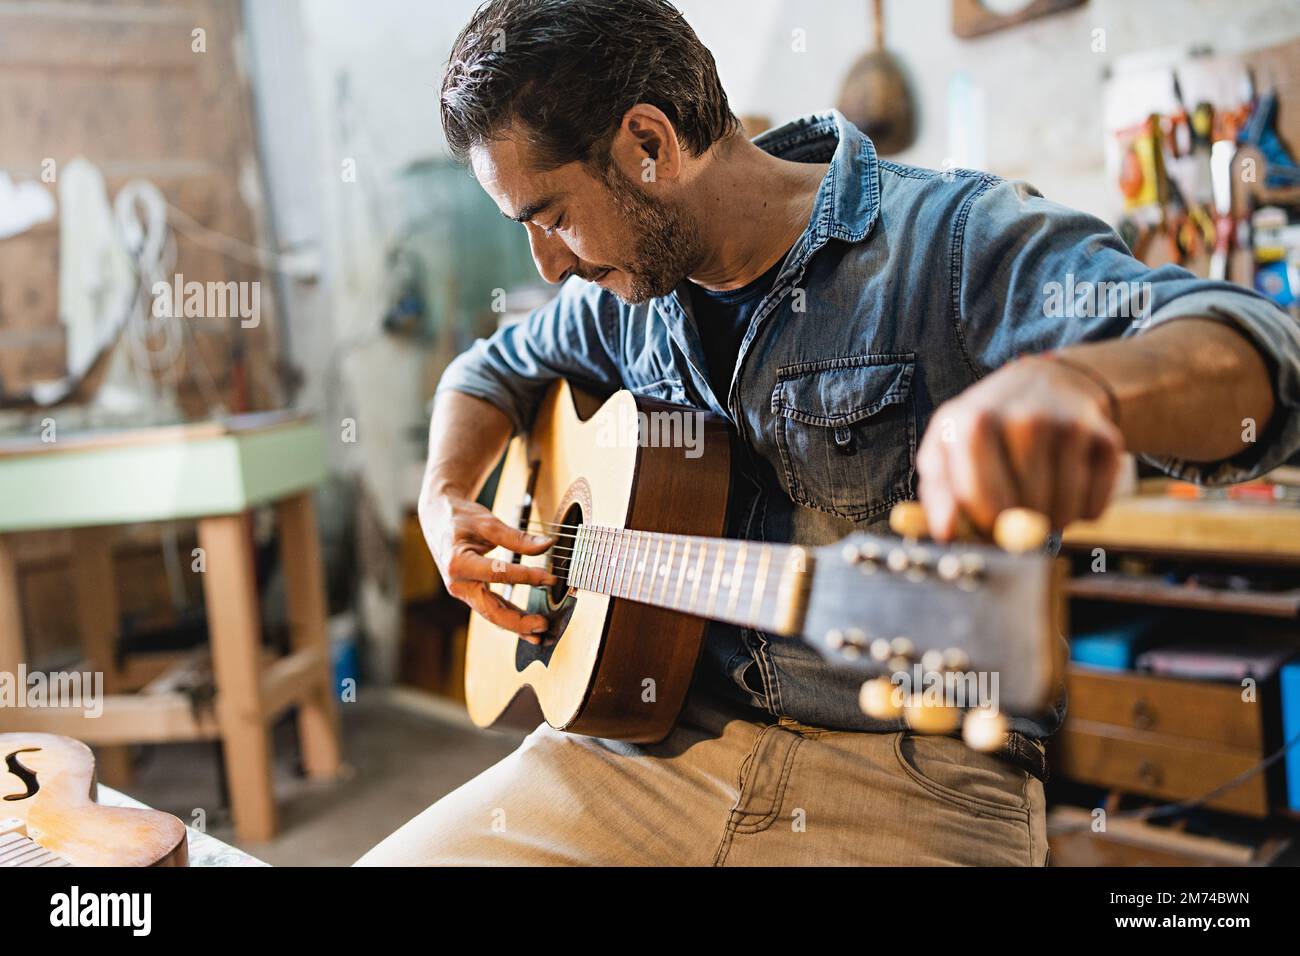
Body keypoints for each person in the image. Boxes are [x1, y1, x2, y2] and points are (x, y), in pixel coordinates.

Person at [358, 0, 1300, 866]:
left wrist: (1086, 382)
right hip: (632, 752)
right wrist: (445, 500)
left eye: (551, 215)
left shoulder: (949, 240)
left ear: (648, 142)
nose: (549, 262)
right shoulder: (623, 298)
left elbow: (1258, 349)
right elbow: (484, 372)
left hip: (912, 775)